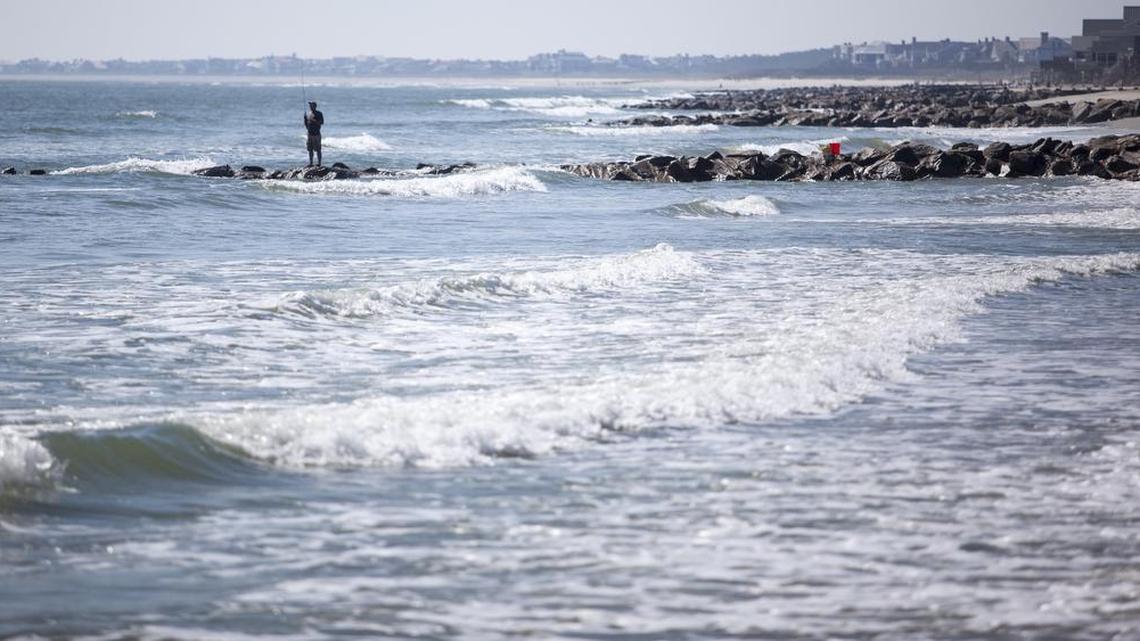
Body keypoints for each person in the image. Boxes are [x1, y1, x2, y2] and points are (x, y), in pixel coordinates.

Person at [304, 101, 324, 166]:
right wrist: (306, 121)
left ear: (315, 106)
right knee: (310, 149)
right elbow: (306, 124)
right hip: (310, 134)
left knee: (318, 149)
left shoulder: (319, 113)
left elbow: (321, 122)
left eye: (311, 105)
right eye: (310, 105)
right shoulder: (308, 113)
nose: (310, 107)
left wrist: (314, 120)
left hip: (316, 134)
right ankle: (311, 163)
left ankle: (319, 163)